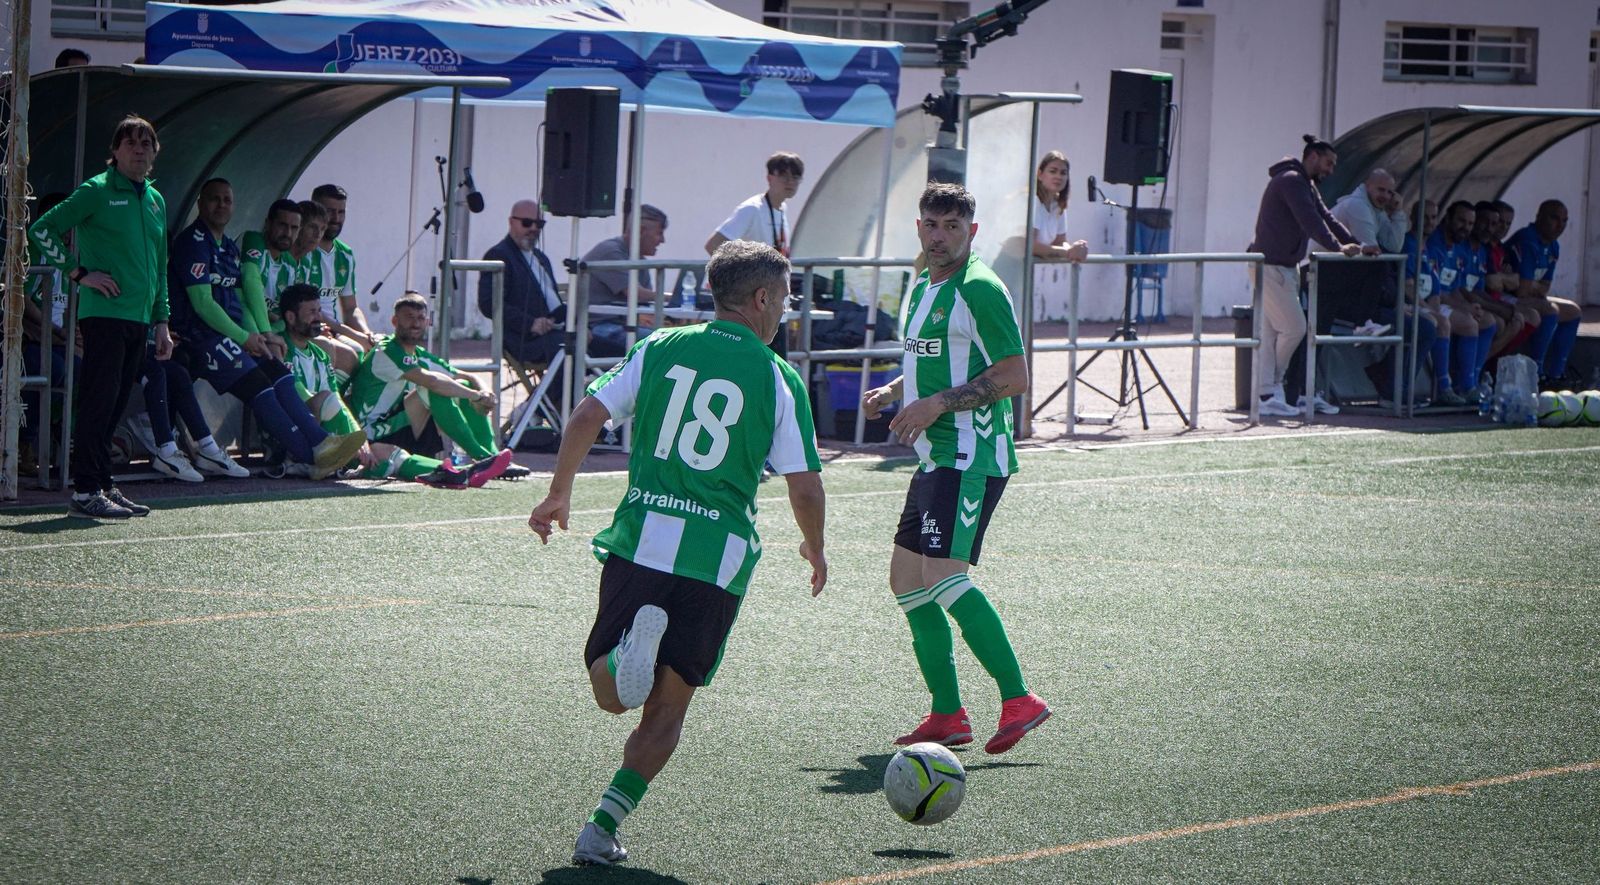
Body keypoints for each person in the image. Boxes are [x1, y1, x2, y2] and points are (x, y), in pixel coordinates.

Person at [528, 239, 827, 867]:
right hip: (715, 562)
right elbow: (804, 484)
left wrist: (559, 493)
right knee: (668, 708)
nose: (788, 309)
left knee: (610, 694)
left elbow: (585, 416)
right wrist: (814, 545)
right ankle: (600, 827)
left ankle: (623, 656)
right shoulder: (778, 377)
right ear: (762, 298)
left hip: (642, 541)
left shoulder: (660, 347)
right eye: (787, 296)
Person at [860, 182, 1049, 756]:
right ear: (919, 227)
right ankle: (948, 713)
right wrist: (897, 389)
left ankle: (1020, 699)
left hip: (970, 455)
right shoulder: (924, 282)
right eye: (931, 224)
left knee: (943, 577)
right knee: (907, 582)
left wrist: (935, 404)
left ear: (972, 231)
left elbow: (1014, 376)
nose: (939, 235)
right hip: (934, 456)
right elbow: (935, 359)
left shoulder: (981, 289)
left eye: (951, 226)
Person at [166, 178, 368, 480]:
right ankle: (310, 455)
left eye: (227, 200)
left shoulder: (227, 248)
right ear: (199, 202)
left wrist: (258, 336)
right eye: (214, 199)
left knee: (278, 372)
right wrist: (250, 336)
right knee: (260, 384)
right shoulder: (194, 243)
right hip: (200, 336)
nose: (221, 205)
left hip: (233, 334)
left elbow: (238, 299)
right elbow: (204, 305)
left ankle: (321, 444)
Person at [29, 115, 175, 519]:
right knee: (98, 400)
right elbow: (42, 230)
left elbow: (160, 266)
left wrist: (161, 321)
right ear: (114, 151)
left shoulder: (155, 200)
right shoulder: (96, 190)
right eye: (130, 143)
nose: (139, 150)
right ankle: (85, 490)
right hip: (104, 314)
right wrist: (78, 273)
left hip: (139, 317)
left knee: (116, 403)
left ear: (154, 153)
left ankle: (105, 483)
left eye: (146, 144)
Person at [277, 284, 475, 488]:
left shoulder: (320, 354)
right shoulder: (281, 349)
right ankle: (311, 461)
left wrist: (358, 438)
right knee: (326, 399)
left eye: (319, 311)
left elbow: (337, 398)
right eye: (312, 312)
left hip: (334, 433)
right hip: (300, 435)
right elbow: (299, 397)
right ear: (291, 318)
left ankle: (453, 472)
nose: (318, 318)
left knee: (384, 452)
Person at [1247, 135, 1371, 417]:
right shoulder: (1292, 180)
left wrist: (1359, 245)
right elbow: (1311, 222)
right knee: (1295, 328)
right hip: (1271, 267)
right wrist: (1340, 248)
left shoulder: (1305, 184)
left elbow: (1327, 218)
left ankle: (1267, 394)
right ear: (1312, 157)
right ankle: (1274, 387)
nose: (1331, 170)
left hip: (1281, 268)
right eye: (1329, 163)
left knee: (1270, 334)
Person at [344, 292, 519, 482]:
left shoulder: (419, 354)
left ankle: (491, 456)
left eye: (420, 318)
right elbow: (432, 382)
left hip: (392, 426)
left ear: (427, 322)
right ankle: (481, 459)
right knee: (435, 388)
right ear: (395, 321)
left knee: (461, 385)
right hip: (368, 433)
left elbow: (464, 376)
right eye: (409, 317)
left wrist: (485, 391)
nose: (416, 323)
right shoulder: (387, 351)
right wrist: (475, 396)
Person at [1422, 201, 1498, 403]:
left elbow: (1454, 287)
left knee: (1488, 321)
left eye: (1470, 223)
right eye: (1461, 221)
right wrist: (1463, 308)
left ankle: (1470, 382)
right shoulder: (1434, 244)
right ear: (1448, 219)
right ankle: (1453, 388)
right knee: (1468, 323)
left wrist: (1468, 306)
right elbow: (1436, 290)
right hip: (1426, 302)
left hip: (1443, 301)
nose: (1466, 227)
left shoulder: (1458, 248)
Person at [479, 199, 565, 374]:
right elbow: (489, 303)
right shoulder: (498, 255)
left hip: (555, 330)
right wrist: (530, 323)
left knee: (611, 346)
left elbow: (553, 301)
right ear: (511, 222)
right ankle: (548, 400)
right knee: (571, 349)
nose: (533, 228)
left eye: (539, 224)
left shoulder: (541, 258)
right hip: (524, 339)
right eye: (527, 223)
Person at [1505, 200, 1583, 387]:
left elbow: (1544, 287)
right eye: (1554, 218)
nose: (1560, 225)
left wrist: (1530, 285)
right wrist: (1531, 286)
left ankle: (1556, 374)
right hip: (1506, 297)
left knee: (1573, 311)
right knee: (1549, 309)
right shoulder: (1527, 239)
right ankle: (1537, 372)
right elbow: (1522, 291)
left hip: (1525, 297)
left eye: (1564, 220)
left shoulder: (1553, 245)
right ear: (1539, 216)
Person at [582, 205, 667, 357]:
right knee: (667, 344)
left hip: (621, 325)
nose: (662, 240)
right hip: (599, 328)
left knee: (675, 341)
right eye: (659, 233)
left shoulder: (639, 260)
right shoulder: (611, 252)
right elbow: (636, 294)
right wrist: (673, 297)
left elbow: (644, 302)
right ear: (641, 231)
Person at [310, 183, 375, 347]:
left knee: (374, 350)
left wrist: (366, 334)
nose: (336, 219)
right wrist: (353, 335)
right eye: (330, 211)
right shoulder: (303, 250)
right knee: (352, 352)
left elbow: (350, 308)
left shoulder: (345, 254)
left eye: (341, 212)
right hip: (309, 328)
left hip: (335, 330)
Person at [704, 151, 803, 257]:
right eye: (784, 176)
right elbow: (713, 245)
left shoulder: (782, 208)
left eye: (795, 177)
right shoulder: (752, 209)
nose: (790, 182)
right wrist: (745, 271)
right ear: (769, 178)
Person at [239, 198, 303, 348]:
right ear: (268, 223)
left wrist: (272, 331)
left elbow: (289, 315)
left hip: (269, 331)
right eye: (282, 225)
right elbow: (249, 282)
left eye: (294, 228)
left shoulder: (291, 265)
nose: (287, 233)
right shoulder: (253, 240)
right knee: (275, 349)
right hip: (243, 324)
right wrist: (268, 331)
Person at [1031, 151, 1089, 262]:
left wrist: (1073, 249)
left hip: (1027, 271)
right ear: (1040, 174)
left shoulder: (1058, 206)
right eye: (1053, 171)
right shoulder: (1032, 200)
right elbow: (1029, 245)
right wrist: (1068, 252)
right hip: (1008, 267)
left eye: (1063, 173)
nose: (1058, 176)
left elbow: (1059, 241)